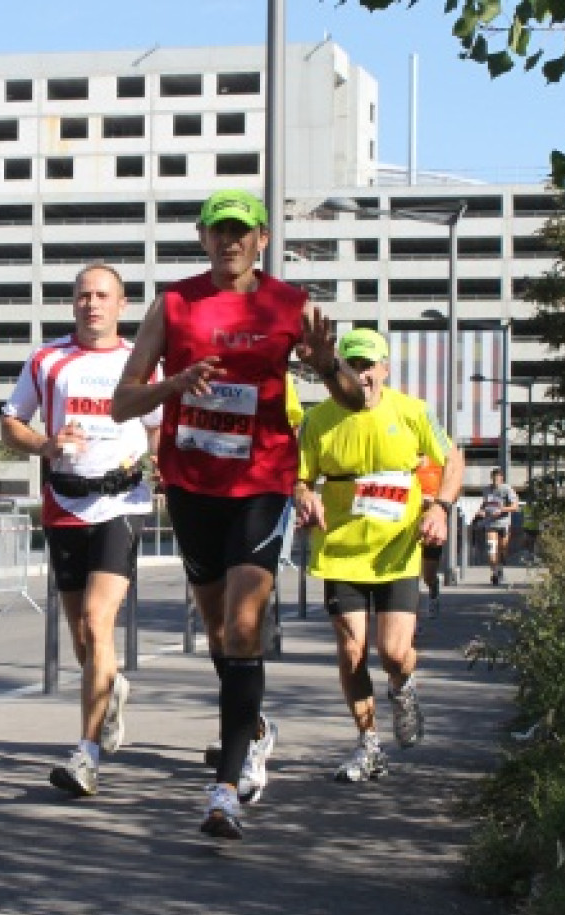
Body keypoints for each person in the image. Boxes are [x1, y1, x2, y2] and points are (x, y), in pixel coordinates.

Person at [112, 189, 365, 840]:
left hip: (261, 482)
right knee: (221, 634)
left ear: (262, 240)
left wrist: (320, 365)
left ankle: (223, 789)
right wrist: (174, 384)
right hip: (193, 483)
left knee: (244, 624)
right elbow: (121, 402)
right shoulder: (174, 302)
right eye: (218, 231)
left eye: (241, 231)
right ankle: (253, 727)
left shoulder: (290, 305)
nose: (229, 241)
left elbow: (352, 397)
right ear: (202, 238)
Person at [0, 263, 159, 798]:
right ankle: (109, 690)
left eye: (103, 296)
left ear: (122, 304)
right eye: (84, 295)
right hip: (65, 500)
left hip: (123, 502)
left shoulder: (142, 363)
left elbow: (163, 430)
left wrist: (166, 484)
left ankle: (86, 754)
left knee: (97, 620)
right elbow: (10, 422)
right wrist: (45, 443)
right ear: (73, 303)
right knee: (82, 638)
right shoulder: (48, 360)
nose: (92, 304)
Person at [292, 329, 464, 783]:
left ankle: (403, 686)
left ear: (385, 368)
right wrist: (303, 494)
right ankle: (368, 744)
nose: (362, 374)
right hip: (341, 549)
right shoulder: (319, 419)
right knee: (351, 652)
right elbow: (300, 475)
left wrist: (441, 509)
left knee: (392, 652)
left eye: (370, 364)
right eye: (352, 364)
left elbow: (453, 459)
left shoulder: (411, 412)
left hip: (396, 549)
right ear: (339, 368)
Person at [414, 455, 446, 617]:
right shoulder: (404, 459)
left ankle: (434, 590)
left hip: (432, 527)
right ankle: (413, 621)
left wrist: (435, 503)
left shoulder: (438, 463)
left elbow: (452, 492)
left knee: (428, 576)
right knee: (411, 578)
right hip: (409, 527)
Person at [476, 467, 518, 585]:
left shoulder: (507, 489)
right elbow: (485, 504)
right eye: (494, 479)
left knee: (503, 549)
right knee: (492, 549)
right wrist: (481, 511)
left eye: (498, 479)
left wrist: (502, 510)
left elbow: (515, 506)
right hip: (490, 524)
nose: (496, 481)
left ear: (502, 479)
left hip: (504, 523)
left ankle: (500, 568)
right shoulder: (486, 490)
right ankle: (494, 573)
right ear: (491, 478)